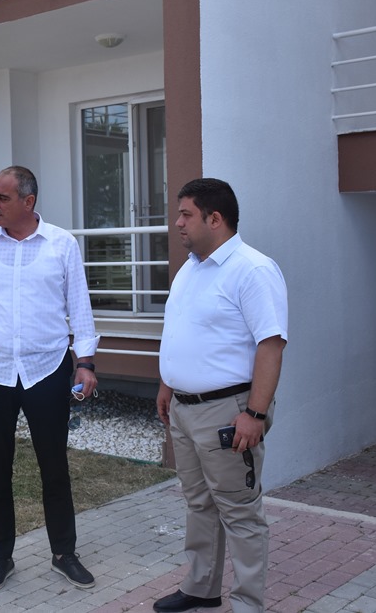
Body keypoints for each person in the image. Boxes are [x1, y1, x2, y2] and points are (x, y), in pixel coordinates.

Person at [0, 166, 100, 593]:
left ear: (28, 202)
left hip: (47, 370)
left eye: (2, 198)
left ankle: (64, 553)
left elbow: (80, 308)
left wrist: (85, 363)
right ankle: (0, 558)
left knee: (54, 467)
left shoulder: (62, 245)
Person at [153, 178, 288, 613]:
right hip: (184, 408)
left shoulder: (253, 270)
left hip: (228, 412)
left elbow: (271, 345)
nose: (178, 223)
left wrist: (255, 414)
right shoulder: (191, 268)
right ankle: (201, 588)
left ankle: (247, 604)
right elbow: (183, 331)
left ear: (215, 219)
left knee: (240, 511)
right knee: (198, 503)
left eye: (186, 214)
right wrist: (168, 383)